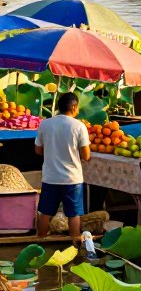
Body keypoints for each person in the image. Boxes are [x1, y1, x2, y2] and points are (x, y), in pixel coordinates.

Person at [35, 92, 90, 241]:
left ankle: (40, 242)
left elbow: (38, 150)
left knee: (45, 212)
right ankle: (75, 245)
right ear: (73, 106)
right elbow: (86, 155)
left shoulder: (45, 124)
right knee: (73, 214)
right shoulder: (79, 126)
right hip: (72, 179)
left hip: (50, 177)